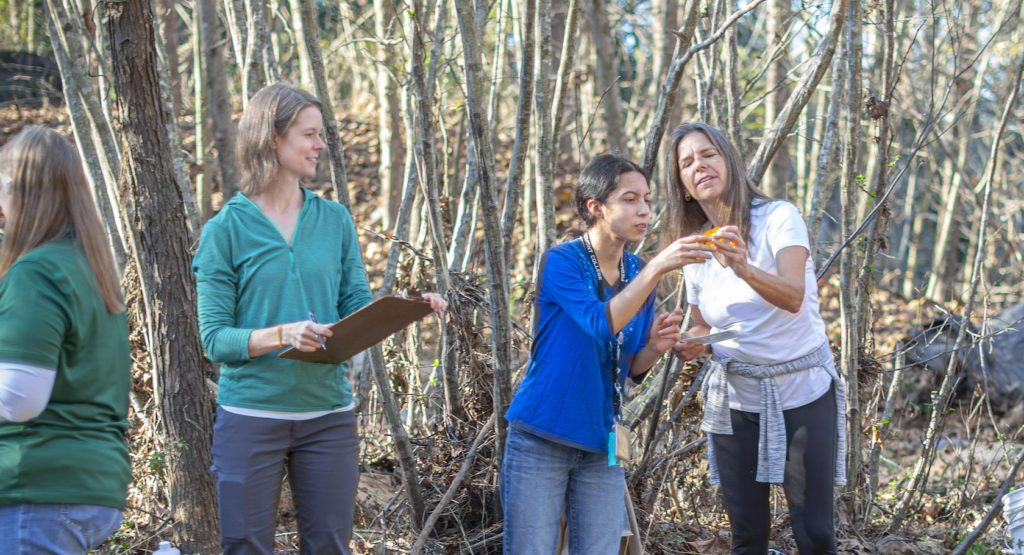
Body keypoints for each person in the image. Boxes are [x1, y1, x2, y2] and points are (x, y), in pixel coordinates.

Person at [192, 83, 445, 555]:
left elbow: (355, 306)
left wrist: (407, 306)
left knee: (330, 545)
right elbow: (215, 339)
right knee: (244, 545)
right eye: (309, 134)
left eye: (320, 134)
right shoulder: (224, 231)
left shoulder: (334, 220)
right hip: (250, 416)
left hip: (327, 418)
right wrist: (281, 334)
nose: (320, 145)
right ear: (272, 138)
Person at [501, 154, 713, 553]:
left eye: (647, 199)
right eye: (630, 199)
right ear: (596, 208)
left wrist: (655, 346)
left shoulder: (639, 270)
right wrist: (658, 270)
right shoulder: (562, 261)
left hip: (603, 443)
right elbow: (601, 322)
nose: (644, 210)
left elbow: (629, 367)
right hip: (543, 435)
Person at [666, 122, 847, 554]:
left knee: (815, 532)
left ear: (729, 160)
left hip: (802, 392)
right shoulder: (696, 250)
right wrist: (694, 343)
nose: (700, 166)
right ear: (684, 187)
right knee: (747, 536)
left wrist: (744, 267)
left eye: (708, 154)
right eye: (687, 163)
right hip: (736, 400)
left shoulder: (778, 218)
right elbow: (709, 327)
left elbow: (793, 297)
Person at [0, 126, 131, 553]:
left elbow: (20, 398)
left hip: (38, 490)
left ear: (18, 191)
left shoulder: (35, 274)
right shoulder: (92, 272)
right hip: (91, 485)